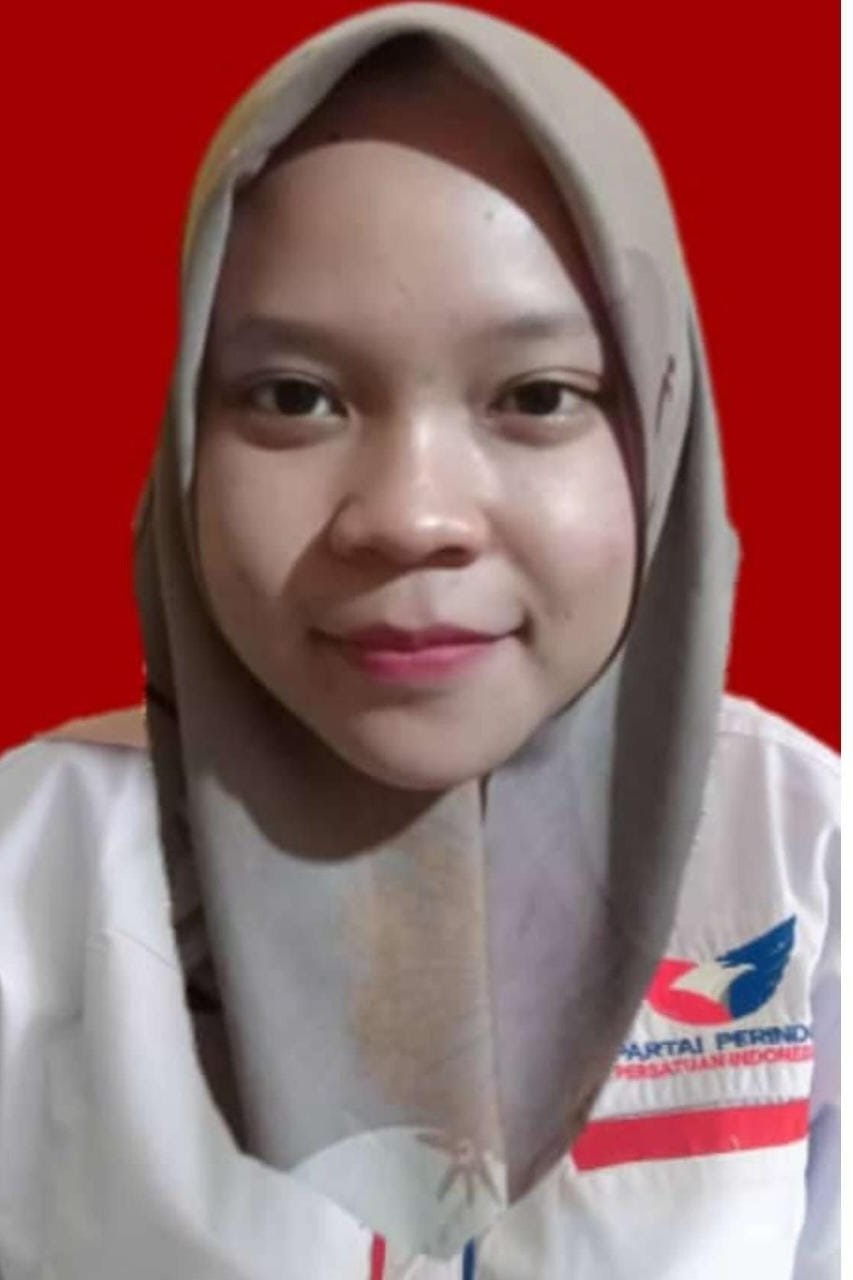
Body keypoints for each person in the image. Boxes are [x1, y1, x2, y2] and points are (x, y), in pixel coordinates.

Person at [0, 5, 838, 1278]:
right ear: (184, 443)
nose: (408, 516)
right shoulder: (34, 864)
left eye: (538, 397)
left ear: (663, 430)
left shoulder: (800, 849)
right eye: (294, 397)